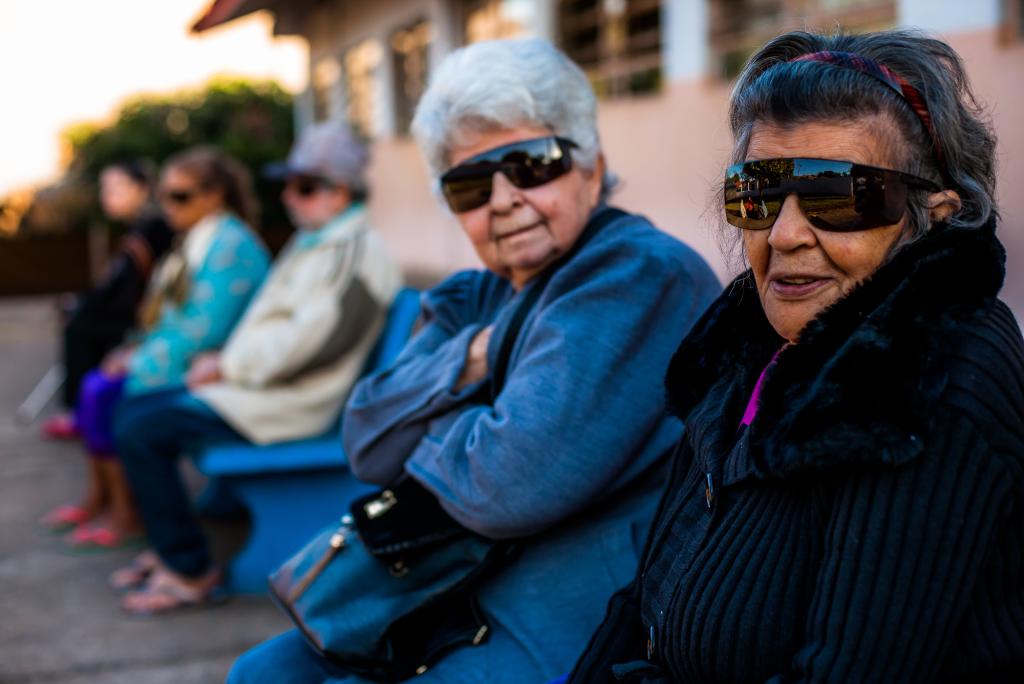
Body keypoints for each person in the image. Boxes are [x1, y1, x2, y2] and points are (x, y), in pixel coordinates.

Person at [228, 38, 720, 683]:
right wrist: (472, 361)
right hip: (459, 584)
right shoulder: (475, 294)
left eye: (531, 163)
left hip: (577, 613)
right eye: (468, 184)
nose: (504, 198)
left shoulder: (638, 276)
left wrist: (437, 421)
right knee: (261, 673)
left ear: (592, 169)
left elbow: (505, 487)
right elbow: (367, 441)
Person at [569, 29, 1024, 682]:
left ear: (932, 216)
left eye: (839, 195)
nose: (784, 234)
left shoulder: (929, 380)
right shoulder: (743, 352)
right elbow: (643, 598)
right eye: (756, 193)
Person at [109, 121, 403, 614]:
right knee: (135, 411)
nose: (290, 197)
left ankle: (190, 569)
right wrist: (225, 365)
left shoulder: (355, 252)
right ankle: (173, 548)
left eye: (305, 187)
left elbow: (316, 342)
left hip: (286, 405)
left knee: (142, 429)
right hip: (259, 392)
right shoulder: (320, 239)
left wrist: (229, 367)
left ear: (343, 191)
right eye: (287, 184)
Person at [47, 147, 270, 550]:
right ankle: (107, 502)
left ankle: (132, 517)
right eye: (165, 196)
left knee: (117, 403)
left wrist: (140, 360)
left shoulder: (230, 245)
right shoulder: (198, 239)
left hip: (214, 364)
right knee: (97, 386)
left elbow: (208, 326)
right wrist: (132, 348)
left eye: (180, 196)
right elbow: (167, 316)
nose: (169, 206)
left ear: (213, 194)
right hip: (195, 358)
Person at [39, 160, 173, 441]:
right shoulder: (139, 229)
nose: (107, 196)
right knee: (81, 318)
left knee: (81, 326)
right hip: (133, 315)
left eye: (116, 188)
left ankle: (78, 413)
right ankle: (84, 410)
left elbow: (137, 292)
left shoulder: (155, 228)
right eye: (105, 189)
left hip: (146, 320)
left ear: (142, 189)